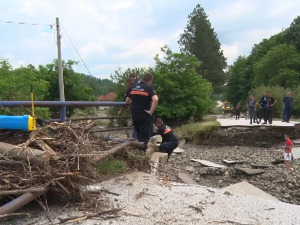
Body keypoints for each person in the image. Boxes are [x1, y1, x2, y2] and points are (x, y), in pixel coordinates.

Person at [125, 73, 158, 150]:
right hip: (145, 115)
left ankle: (138, 151)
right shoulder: (148, 88)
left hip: (135, 115)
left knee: (139, 134)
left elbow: (127, 101)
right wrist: (150, 112)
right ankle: (142, 154)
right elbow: (155, 100)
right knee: (145, 137)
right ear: (150, 80)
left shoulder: (133, 87)